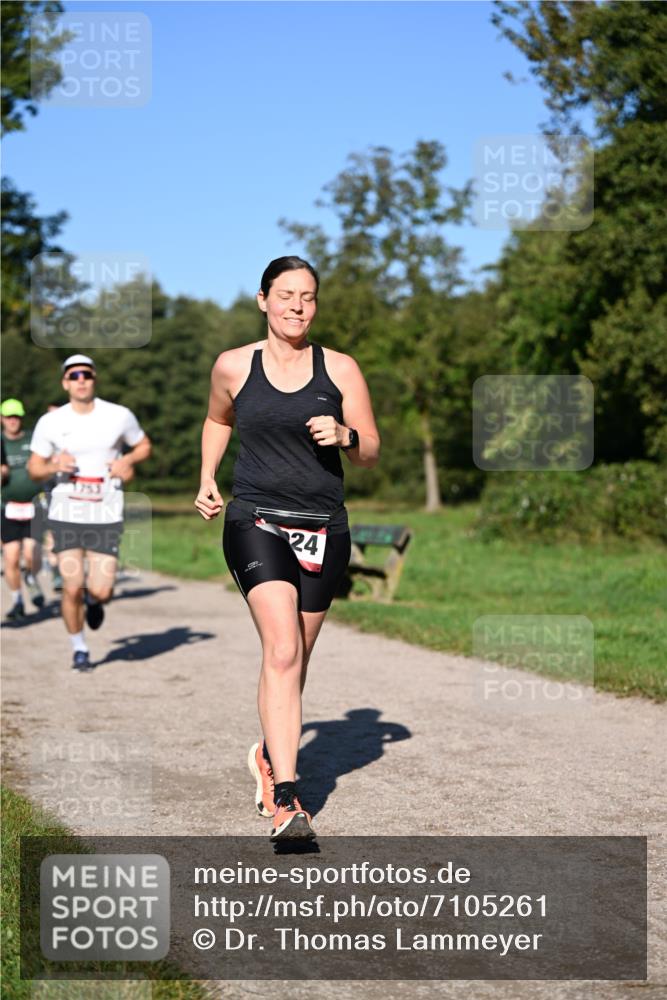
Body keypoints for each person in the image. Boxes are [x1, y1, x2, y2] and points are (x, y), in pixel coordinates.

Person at [195, 256, 380, 840]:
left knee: (294, 658)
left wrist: (348, 436)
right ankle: (288, 800)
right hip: (256, 519)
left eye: (308, 297)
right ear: (263, 300)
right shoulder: (233, 366)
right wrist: (208, 475)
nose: (298, 307)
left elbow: (371, 448)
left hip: (324, 526)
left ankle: (266, 755)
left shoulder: (341, 369)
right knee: (280, 650)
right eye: (286, 295)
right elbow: (217, 419)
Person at [27, 355, 151, 671]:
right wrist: (54, 465)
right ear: (65, 383)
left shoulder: (119, 416)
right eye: (74, 375)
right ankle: (79, 648)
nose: (80, 379)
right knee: (71, 586)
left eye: (86, 374)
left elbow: (143, 445)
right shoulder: (51, 422)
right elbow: (34, 469)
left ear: (94, 379)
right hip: (66, 513)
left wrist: (128, 462)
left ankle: (95, 602)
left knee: (101, 589)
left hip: (106, 514)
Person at [1, 398, 45, 619]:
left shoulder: (32, 440)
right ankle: (17, 599)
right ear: (2, 419)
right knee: (10, 557)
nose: (13, 421)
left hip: (33, 505)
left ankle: (31, 577)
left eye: (16, 417)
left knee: (31, 554)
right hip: (8, 507)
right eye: (9, 417)